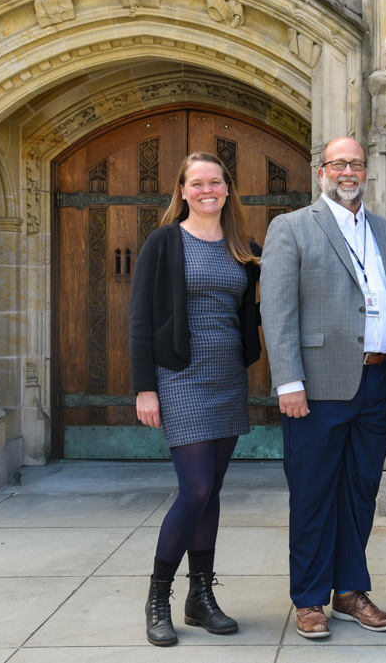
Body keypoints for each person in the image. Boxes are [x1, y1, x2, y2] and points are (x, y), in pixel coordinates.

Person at [260, 137, 386, 639]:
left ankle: (349, 591)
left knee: (360, 491)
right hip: (316, 387)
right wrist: (288, 381)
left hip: (378, 379)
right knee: (312, 493)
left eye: (356, 163)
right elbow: (276, 311)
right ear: (319, 170)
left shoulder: (385, 232)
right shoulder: (291, 227)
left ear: (366, 171)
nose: (348, 171)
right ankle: (308, 597)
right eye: (338, 163)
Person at [129, 152, 261, 646]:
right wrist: (145, 387)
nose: (207, 190)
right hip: (179, 377)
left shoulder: (243, 247)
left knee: (213, 494)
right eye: (197, 183)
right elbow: (140, 318)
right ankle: (157, 599)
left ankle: (200, 597)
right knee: (196, 490)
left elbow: (268, 299)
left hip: (228, 378)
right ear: (182, 191)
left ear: (227, 189)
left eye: (216, 182)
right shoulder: (164, 242)